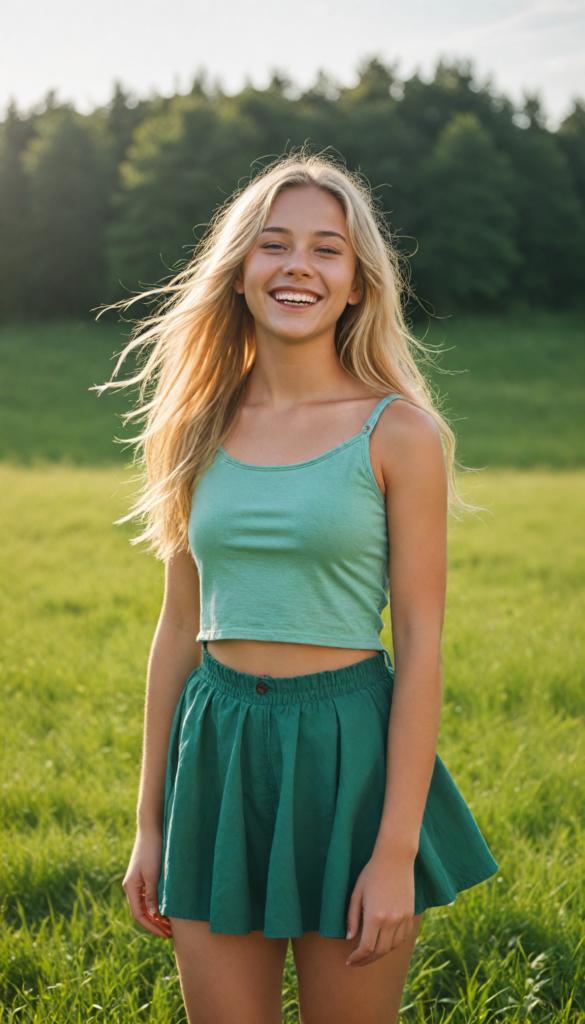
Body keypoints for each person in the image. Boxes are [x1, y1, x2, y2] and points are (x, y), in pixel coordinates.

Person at [107, 154, 497, 1024]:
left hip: (345, 752)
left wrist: (394, 848)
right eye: (274, 245)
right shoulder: (193, 427)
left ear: (356, 283)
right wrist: (150, 823)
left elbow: (422, 639)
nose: (298, 267)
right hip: (216, 751)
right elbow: (177, 631)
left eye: (327, 250)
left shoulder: (399, 433)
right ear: (240, 270)